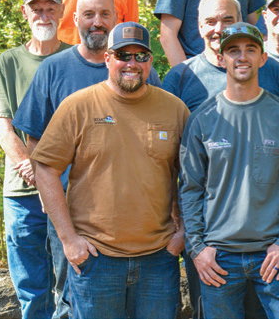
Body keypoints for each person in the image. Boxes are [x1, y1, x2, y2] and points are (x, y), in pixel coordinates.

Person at [12, 0, 161, 319]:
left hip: (132, 216)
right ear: (75, 19)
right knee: (67, 298)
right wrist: (49, 194)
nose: (97, 23)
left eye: (104, 15)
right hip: (68, 211)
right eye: (89, 15)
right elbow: (34, 138)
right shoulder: (53, 69)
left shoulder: (138, 68)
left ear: (117, 18)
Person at [31, 22, 189, 319]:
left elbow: (193, 178)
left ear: (151, 61)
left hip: (159, 259)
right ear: (107, 58)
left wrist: (183, 233)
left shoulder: (175, 109)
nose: (132, 63)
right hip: (95, 260)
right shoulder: (78, 106)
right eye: (122, 55)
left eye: (141, 56)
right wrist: (68, 240)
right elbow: (45, 169)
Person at [179, 22, 279, 319]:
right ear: (221, 58)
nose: (242, 57)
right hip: (218, 257)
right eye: (233, 50)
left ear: (263, 58)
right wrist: (198, 248)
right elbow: (190, 189)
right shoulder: (202, 119)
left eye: (250, 50)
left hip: (273, 254)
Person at [0, 0, 70, 319]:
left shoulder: (75, 58)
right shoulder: (9, 62)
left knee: (71, 286)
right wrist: (33, 169)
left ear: (62, 12)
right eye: (37, 9)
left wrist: (53, 175)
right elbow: (5, 130)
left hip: (71, 189)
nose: (43, 15)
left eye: (50, 8)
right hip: (23, 193)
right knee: (32, 291)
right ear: (25, 13)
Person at [162, 0, 279, 114]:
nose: (219, 29)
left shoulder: (272, 70)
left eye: (228, 21)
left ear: (240, 22)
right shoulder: (180, 77)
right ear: (200, 27)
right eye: (210, 22)